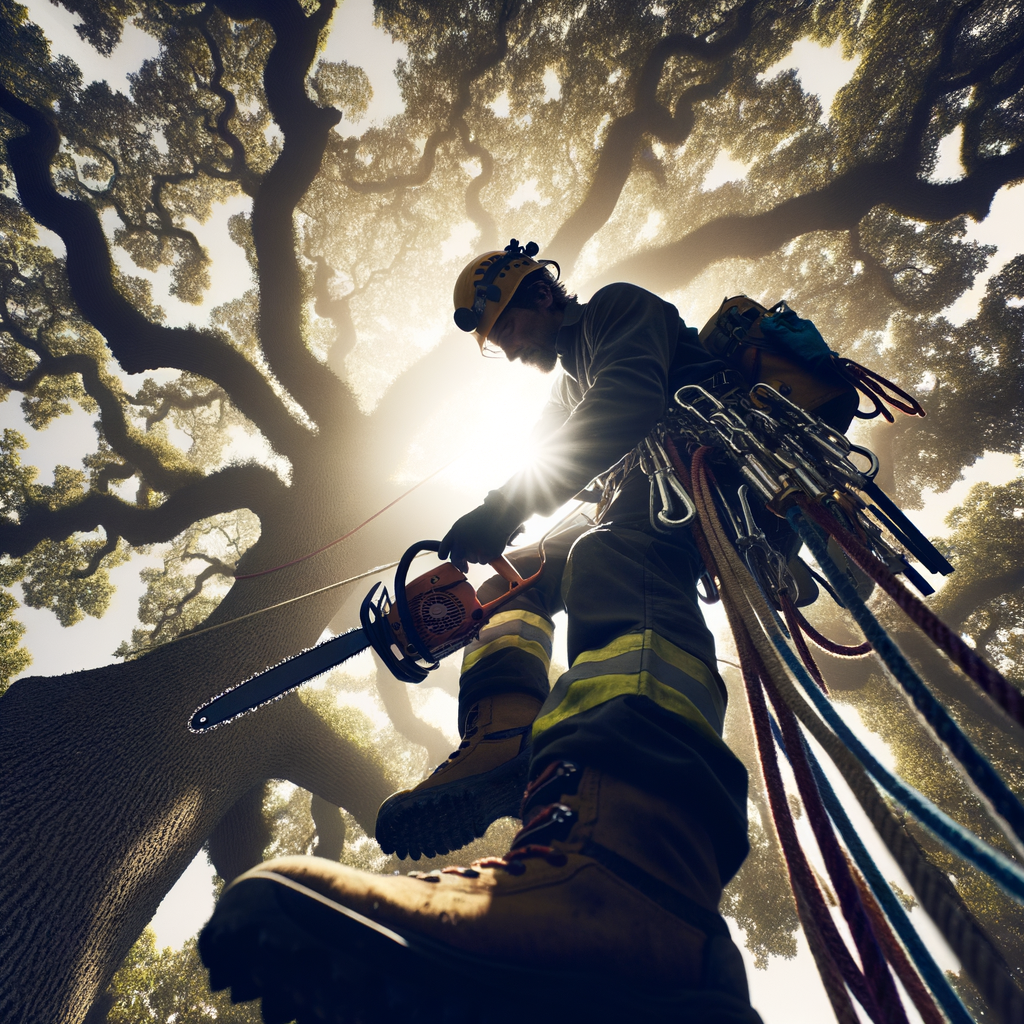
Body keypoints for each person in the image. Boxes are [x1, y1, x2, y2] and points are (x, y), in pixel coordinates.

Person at [199, 240, 763, 1024]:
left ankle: (635, 864)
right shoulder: (564, 387)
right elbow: (571, 448)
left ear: (536, 292)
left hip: (711, 474)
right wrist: (491, 548)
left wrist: (503, 505)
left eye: (507, 333)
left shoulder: (618, 312)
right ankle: (503, 735)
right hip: (634, 494)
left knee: (613, 561)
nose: (509, 351)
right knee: (508, 588)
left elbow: (627, 404)